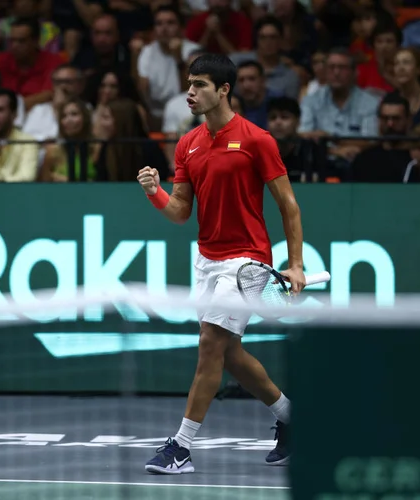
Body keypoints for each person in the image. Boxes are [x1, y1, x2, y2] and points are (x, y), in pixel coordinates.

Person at [136, 53, 306, 474]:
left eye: (199, 85)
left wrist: (296, 264)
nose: (190, 93)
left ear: (223, 89)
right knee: (227, 354)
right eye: (189, 84)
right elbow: (180, 211)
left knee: (210, 344)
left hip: (246, 261)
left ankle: (180, 447)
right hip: (206, 260)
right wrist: (156, 191)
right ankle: (293, 419)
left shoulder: (256, 140)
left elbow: (289, 206)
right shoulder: (187, 143)